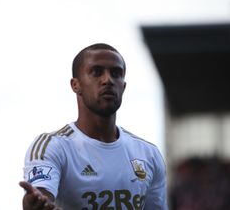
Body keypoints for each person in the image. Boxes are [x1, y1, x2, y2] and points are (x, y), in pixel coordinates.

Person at [19, 43, 168, 210]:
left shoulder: (149, 154)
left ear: (123, 86)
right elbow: (39, 196)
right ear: (76, 85)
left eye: (116, 74)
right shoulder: (52, 146)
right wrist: (34, 204)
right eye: (97, 72)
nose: (108, 80)